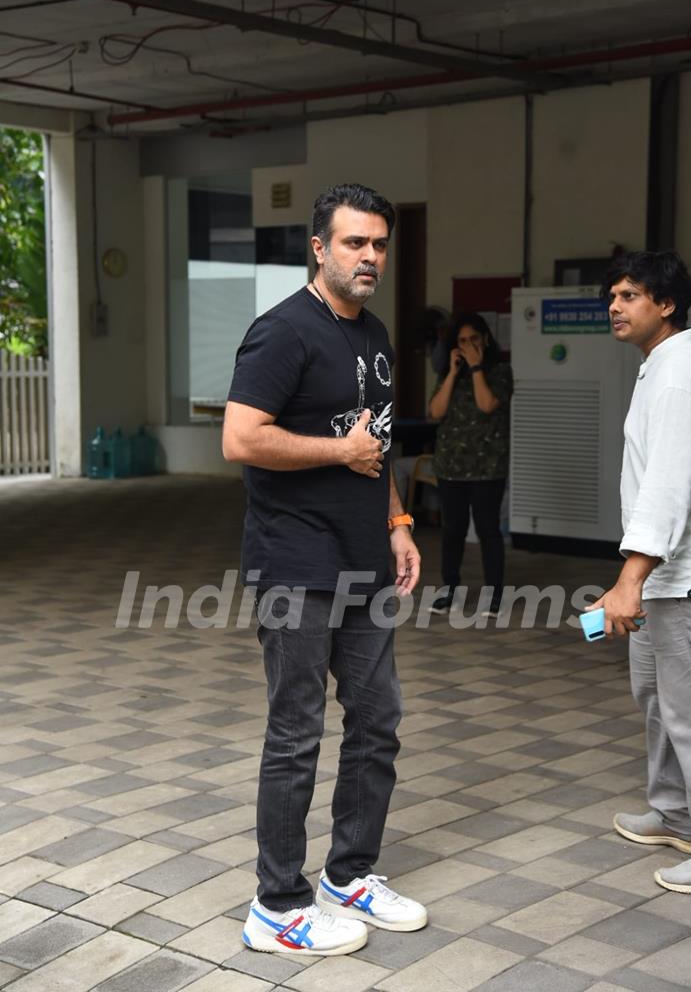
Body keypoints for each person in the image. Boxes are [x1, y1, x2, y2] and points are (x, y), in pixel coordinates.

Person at [223, 182, 427, 956]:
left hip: (366, 561)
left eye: (378, 243)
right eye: (354, 243)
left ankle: (349, 876)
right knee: (297, 734)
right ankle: (277, 905)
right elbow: (242, 438)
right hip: (294, 565)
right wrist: (338, 452)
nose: (369, 256)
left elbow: (374, 446)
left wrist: (399, 522)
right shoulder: (282, 333)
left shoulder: (374, 334)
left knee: (378, 721)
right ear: (319, 248)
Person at [590, 250, 691, 895]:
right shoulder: (663, 365)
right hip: (666, 574)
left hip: (689, 574)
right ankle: (676, 812)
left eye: (630, 295)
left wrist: (628, 580)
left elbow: (671, 486)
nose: (615, 306)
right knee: (657, 696)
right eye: (612, 295)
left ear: (666, 305)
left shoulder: (679, 374)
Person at [427, 312, 513, 617]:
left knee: (488, 530)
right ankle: (449, 588)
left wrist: (476, 368)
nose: (468, 345)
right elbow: (435, 411)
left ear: (486, 340)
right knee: (453, 530)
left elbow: (486, 404)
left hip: (487, 467)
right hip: (451, 466)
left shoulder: (500, 371)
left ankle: (494, 595)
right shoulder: (448, 372)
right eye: (462, 341)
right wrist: (452, 373)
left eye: (474, 339)